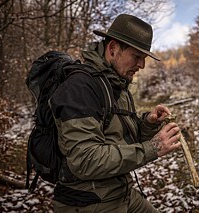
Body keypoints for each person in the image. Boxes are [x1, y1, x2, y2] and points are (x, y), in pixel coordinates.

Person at [49, 14, 182, 212]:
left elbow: (123, 138)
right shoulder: (80, 88)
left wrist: (148, 123)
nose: (142, 65)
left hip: (121, 191)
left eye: (144, 58)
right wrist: (153, 147)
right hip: (89, 201)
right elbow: (85, 160)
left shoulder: (117, 84)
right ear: (112, 49)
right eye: (137, 57)